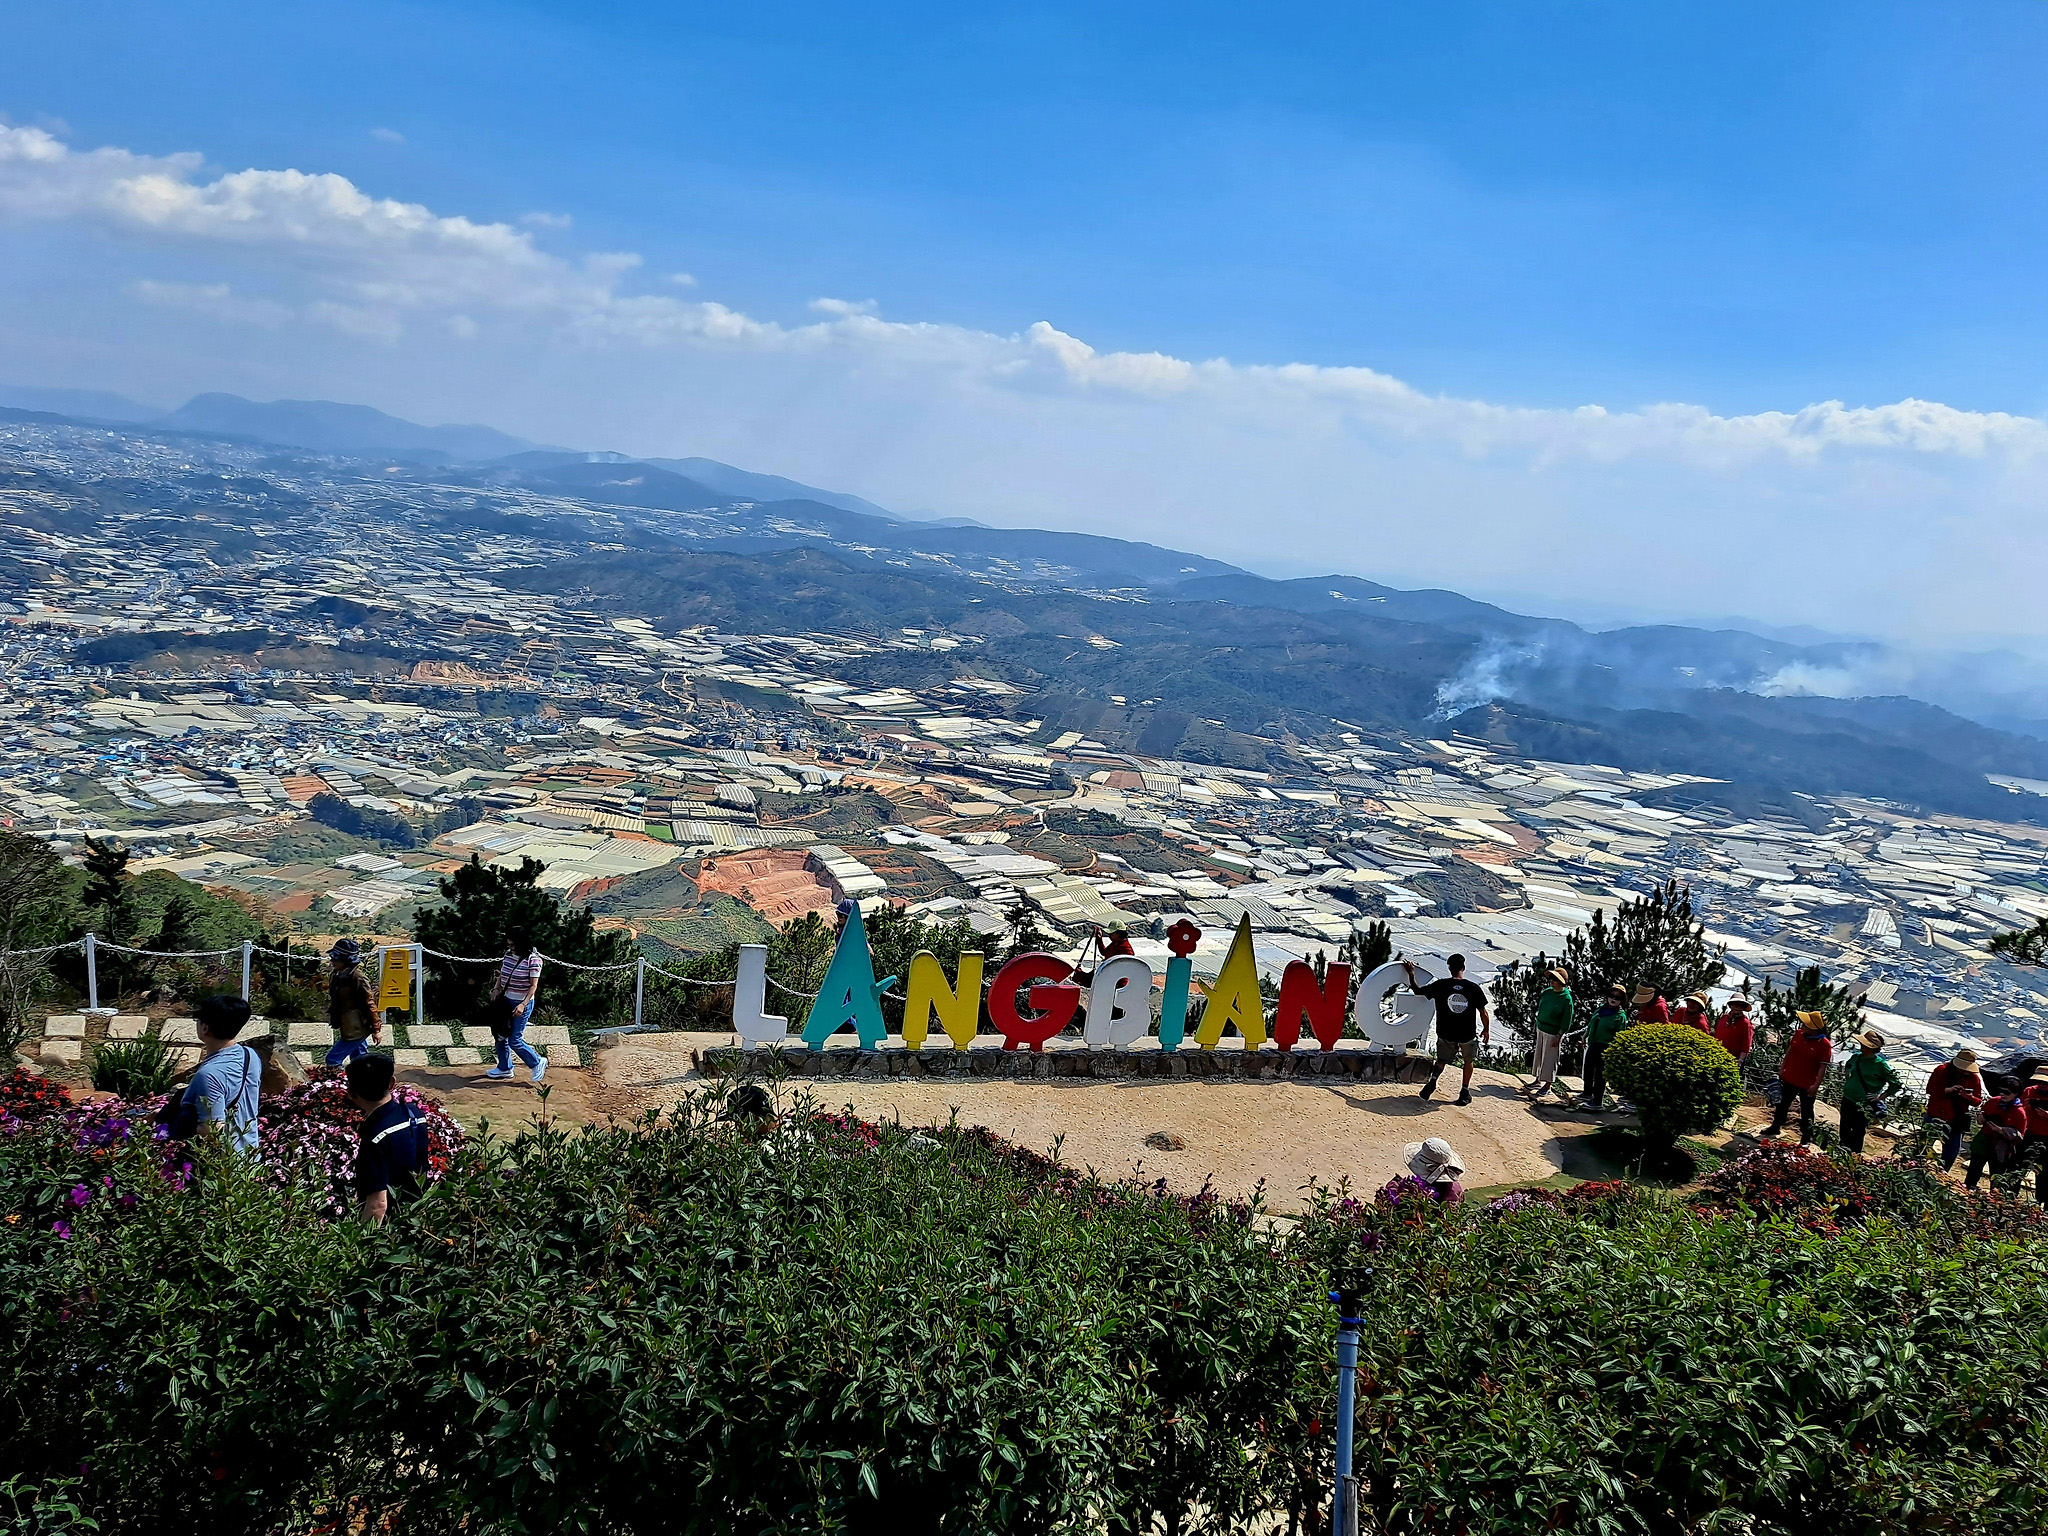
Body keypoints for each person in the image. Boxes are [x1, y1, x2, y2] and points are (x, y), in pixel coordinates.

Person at [164, 993, 262, 1157]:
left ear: (205, 1028)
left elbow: (212, 1130)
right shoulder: (250, 1055)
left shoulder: (208, 1075)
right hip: (250, 1156)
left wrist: (172, 1124)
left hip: (223, 1165)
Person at [346, 1052, 428, 1225]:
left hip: (392, 1225)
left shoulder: (375, 1138)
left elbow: (377, 1205)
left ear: (351, 1092)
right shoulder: (415, 1115)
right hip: (419, 1214)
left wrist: (361, 1238)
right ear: (392, 1083)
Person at [1404, 954, 1490, 1107]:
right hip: (1467, 1033)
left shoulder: (1441, 985)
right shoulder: (1473, 988)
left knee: (1442, 1060)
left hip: (1446, 1032)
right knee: (1468, 1061)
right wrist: (1486, 1030)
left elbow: (1417, 991)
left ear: (1449, 968)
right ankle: (1464, 1091)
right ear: (1463, 968)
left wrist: (1411, 973)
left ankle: (1433, 1081)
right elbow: (1483, 1012)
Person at [485, 928, 547, 1083]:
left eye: (513, 945)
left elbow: (533, 985)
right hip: (505, 1001)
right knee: (500, 1035)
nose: (510, 948)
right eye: (509, 945)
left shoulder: (534, 960)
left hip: (521, 1003)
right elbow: (503, 974)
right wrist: (496, 989)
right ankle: (504, 1067)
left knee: (515, 1040)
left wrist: (523, 1004)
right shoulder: (508, 955)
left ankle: (536, 1062)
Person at [1764, 1011, 1833, 1145]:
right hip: (1790, 1077)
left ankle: (1806, 1137)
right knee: (1782, 1105)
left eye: (1805, 1024)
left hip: (1807, 1083)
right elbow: (1790, 1051)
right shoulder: (1799, 1034)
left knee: (1807, 1111)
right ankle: (1775, 1126)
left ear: (1813, 1027)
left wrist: (1816, 1086)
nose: (1802, 1025)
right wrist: (1782, 1068)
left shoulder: (1824, 1044)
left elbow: (1822, 1067)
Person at [1837, 1028, 1903, 1155]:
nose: (1861, 1046)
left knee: (1858, 1131)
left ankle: (1854, 1155)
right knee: (1844, 1127)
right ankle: (1841, 1152)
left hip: (1864, 1103)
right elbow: (1848, 1066)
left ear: (1871, 1048)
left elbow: (1896, 1083)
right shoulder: (1856, 1057)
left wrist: (1880, 1097)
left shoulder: (1880, 1065)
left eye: (1864, 1044)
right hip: (1848, 1098)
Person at [1921, 1048, 1984, 1172]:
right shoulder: (1942, 1070)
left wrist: (1969, 1097)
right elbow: (1930, 1090)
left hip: (1956, 1119)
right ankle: (1916, 1167)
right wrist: (1948, 1090)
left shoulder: (1973, 1078)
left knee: (1951, 1151)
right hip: (1935, 1115)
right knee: (1923, 1145)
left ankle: (1942, 1173)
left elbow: (1977, 1101)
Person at [326, 938, 382, 1067]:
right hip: (347, 1024)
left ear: (346, 960)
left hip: (357, 1026)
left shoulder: (357, 978)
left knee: (333, 1060)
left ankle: (338, 1080)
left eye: (337, 958)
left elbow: (369, 1003)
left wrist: (376, 1029)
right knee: (359, 1060)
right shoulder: (336, 975)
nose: (333, 961)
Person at [1965, 1088, 2029, 1192]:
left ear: (2016, 1093)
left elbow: (2019, 1135)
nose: (2003, 1094)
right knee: (1974, 1169)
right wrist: (1981, 1118)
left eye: (2007, 1092)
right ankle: (1968, 1189)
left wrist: (2000, 1130)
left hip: (2001, 1146)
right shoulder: (1994, 1101)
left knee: (1996, 1176)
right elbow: (1980, 1118)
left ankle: (1994, 1197)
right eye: (2001, 1091)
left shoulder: (2019, 1112)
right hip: (1983, 1140)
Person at [1523, 968, 1573, 1100]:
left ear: (1562, 982)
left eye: (1555, 979)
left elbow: (1566, 1019)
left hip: (1553, 1032)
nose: (1551, 981)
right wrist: (1536, 1023)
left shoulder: (1566, 999)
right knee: (1539, 1055)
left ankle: (1547, 1085)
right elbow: (1541, 1008)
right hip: (1541, 1027)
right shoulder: (1547, 992)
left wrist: (1559, 1035)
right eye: (1551, 978)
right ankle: (1537, 1080)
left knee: (1550, 1059)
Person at [1578, 984, 1629, 1111]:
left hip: (1606, 1047)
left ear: (1622, 1000)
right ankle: (1587, 1093)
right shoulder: (1601, 1009)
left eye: (1617, 997)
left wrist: (1614, 1052)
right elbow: (1591, 1024)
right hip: (1593, 1043)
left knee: (1600, 1075)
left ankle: (1597, 1101)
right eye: (1611, 996)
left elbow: (1620, 1036)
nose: (1613, 999)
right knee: (1588, 1069)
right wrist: (1584, 1036)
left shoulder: (1620, 1016)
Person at [1714, 994, 1756, 1068]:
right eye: (1735, 1004)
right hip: (1717, 1056)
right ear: (1730, 1005)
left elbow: (1746, 1045)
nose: (1738, 1007)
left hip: (1733, 1061)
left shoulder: (1746, 1024)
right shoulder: (1724, 1018)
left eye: (1741, 1005)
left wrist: (1739, 1061)